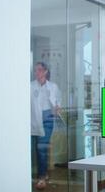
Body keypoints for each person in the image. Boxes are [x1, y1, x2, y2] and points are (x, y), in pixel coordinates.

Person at [31, 62, 60, 190]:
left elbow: (58, 102)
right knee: (34, 148)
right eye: (35, 70)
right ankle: (44, 172)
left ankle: (42, 177)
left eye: (39, 70)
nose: (37, 72)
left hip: (48, 118)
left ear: (45, 71)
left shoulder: (53, 87)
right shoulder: (30, 86)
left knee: (41, 148)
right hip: (33, 120)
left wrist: (57, 108)